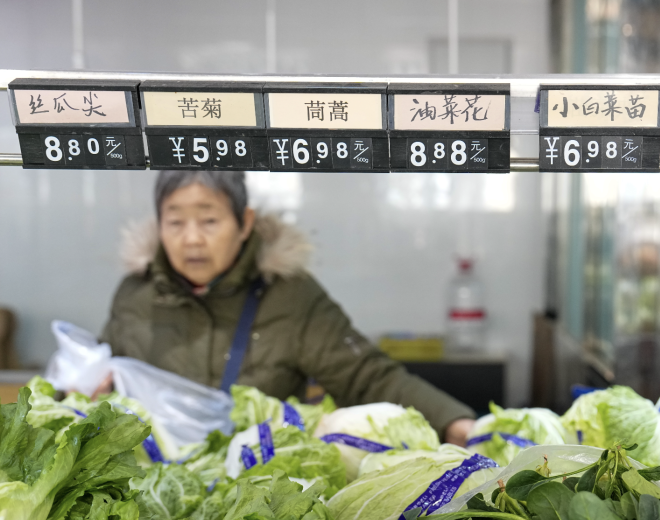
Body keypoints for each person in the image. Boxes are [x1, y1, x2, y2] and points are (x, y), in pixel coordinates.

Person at [99, 170, 476, 445]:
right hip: (155, 491)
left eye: (209, 220)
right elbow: (101, 376)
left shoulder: (290, 295)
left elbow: (366, 377)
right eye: (176, 222)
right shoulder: (135, 295)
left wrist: (452, 422)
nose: (192, 239)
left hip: (258, 493)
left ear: (244, 223)